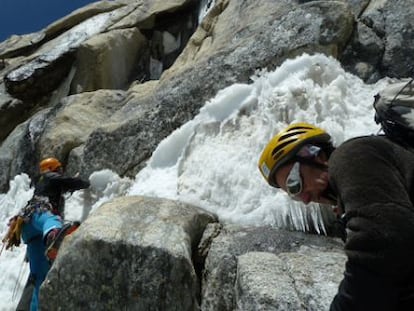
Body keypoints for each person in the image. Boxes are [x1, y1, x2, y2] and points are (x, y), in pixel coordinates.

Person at [258, 122, 414, 311]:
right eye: (294, 194)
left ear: (317, 155)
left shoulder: (352, 155)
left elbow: (382, 246)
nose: (305, 198)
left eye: (295, 184)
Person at [10, 157, 90, 311]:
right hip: (40, 217)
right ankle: (53, 235)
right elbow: (70, 182)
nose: (61, 171)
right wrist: (87, 182)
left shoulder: (41, 184)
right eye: (59, 169)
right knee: (52, 220)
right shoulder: (50, 176)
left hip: (30, 230)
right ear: (54, 169)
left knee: (40, 277)